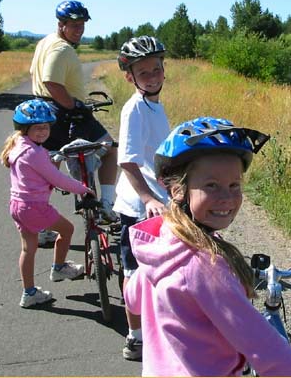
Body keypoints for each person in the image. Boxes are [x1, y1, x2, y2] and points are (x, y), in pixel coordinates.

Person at [123, 117, 291, 376]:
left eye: (234, 185)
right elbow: (265, 349)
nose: (226, 197)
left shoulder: (160, 243)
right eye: (211, 185)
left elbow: (132, 298)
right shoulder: (206, 266)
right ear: (178, 189)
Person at [30, 0, 118, 246]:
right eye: (74, 25)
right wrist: (73, 105)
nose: (79, 30)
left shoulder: (44, 43)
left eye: (82, 25)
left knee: (48, 168)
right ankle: (106, 205)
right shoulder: (62, 49)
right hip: (63, 112)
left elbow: (35, 77)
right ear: (61, 24)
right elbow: (52, 83)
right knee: (110, 149)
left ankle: (41, 226)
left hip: (44, 111)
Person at [0, 99, 91, 308]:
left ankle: (29, 293)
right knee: (67, 230)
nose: (42, 132)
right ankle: (59, 268)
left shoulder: (18, 145)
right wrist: (83, 189)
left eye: (46, 127)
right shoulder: (35, 153)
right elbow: (57, 179)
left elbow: (35, 169)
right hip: (34, 206)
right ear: (25, 129)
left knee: (28, 248)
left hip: (17, 205)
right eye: (37, 128)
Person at [113, 36, 171, 361]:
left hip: (159, 203)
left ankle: (157, 321)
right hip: (138, 207)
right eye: (143, 72)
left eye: (156, 69)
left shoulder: (154, 105)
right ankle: (134, 336)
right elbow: (127, 159)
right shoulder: (134, 108)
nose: (152, 75)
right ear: (130, 76)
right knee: (133, 272)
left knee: (158, 269)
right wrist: (148, 196)